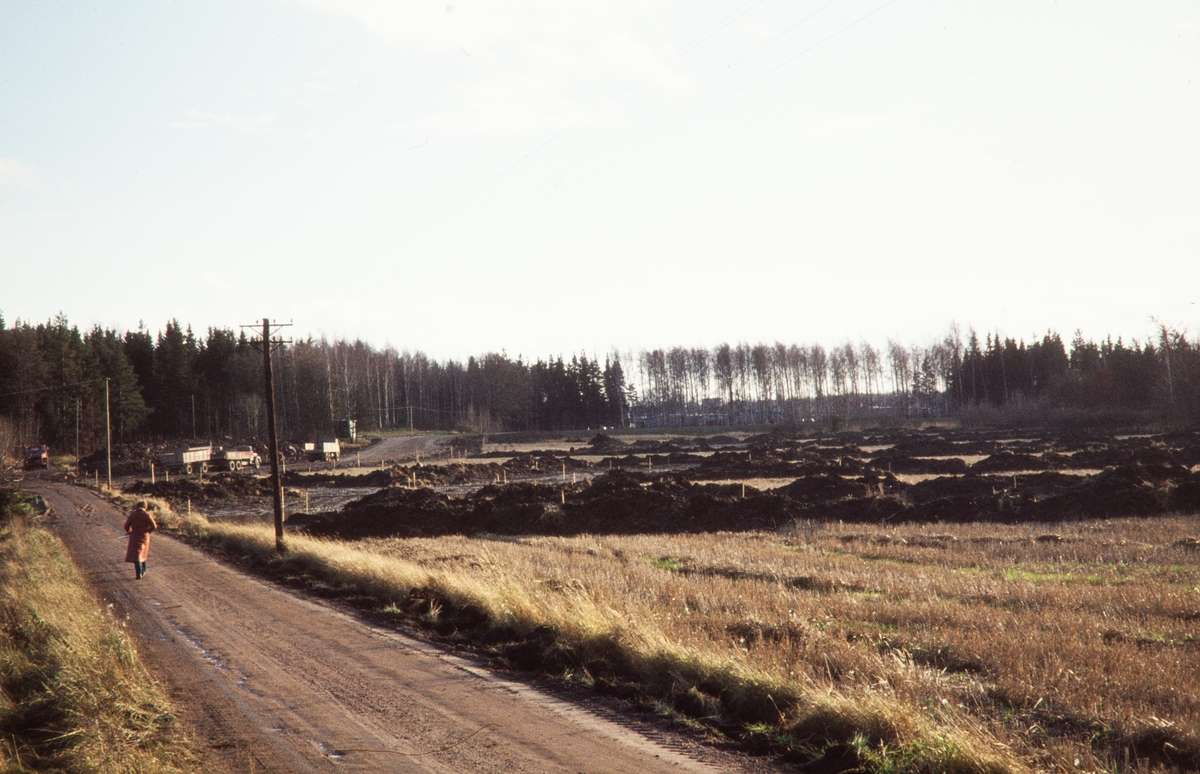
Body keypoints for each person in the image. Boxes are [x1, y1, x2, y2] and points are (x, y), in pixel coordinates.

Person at [124, 501, 158, 580]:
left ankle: (139, 573)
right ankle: (143, 571)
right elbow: (154, 526)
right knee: (143, 552)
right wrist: (147, 531)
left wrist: (129, 532)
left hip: (135, 535)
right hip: (144, 536)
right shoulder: (146, 514)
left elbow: (126, 526)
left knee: (136, 555)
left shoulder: (133, 514)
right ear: (145, 507)